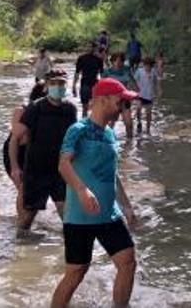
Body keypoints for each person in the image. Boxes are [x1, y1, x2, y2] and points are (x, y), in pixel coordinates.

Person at [52, 78, 138, 308]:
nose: (123, 107)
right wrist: (82, 190)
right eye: (120, 101)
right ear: (102, 100)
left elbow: (113, 174)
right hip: (80, 216)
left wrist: (127, 206)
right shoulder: (78, 130)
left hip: (109, 215)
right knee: (76, 272)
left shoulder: (109, 134)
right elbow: (63, 164)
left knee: (128, 262)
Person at [9, 70, 78, 231]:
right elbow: (15, 139)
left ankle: (73, 252)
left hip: (60, 170)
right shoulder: (36, 108)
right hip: (36, 171)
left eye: (61, 83)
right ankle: (20, 250)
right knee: (26, 221)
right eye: (54, 83)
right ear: (46, 85)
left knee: (68, 219)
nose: (58, 87)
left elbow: (74, 139)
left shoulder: (70, 110)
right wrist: (14, 167)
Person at [3, 81, 47, 220]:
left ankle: (25, 219)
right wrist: (15, 167)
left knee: (30, 191)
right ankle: (21, 224)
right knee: (24, 188)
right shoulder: (22, 111)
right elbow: (16, 139)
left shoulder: (55, 113)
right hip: (17, 152)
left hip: (35, 152)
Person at [103, 53, 136, 137]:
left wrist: (136, 92)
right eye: (116, 61)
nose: (118, 63)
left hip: (125, 100)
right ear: (112, 62)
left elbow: (133, 81)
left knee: (129, 124)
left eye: (120, 61)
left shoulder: (127, 70)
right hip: (112, 101)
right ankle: (108, 142)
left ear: (123, 61)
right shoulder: (107, 72)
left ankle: (130, 144)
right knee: (111, 124)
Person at [72, 44, 104, 117]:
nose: (91, 49)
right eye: (89, 47)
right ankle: (84, 125)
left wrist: (103, 88)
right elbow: (77, 73)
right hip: (85, 84)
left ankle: (93, 125)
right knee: (85, 107)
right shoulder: (81, 58)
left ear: (95, 49)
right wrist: (74, 86)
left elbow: (102, 75)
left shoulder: (99, 59)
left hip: (95, 84)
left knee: (95, 107)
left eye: (92, 47)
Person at [133, 57, 158, 136]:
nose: (148, 68)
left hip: (149, 95)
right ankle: (139, 122)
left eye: (150, 66)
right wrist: (135, 88)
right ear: (144, 65)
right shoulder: (139, 71)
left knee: (149, 113)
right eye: (146, 66)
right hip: (140, 94)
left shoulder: (153, 72)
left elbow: (155, 81)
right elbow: (134, 80)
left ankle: (148, 129)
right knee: (138, 109)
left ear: (152, 66)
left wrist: (157, 91)